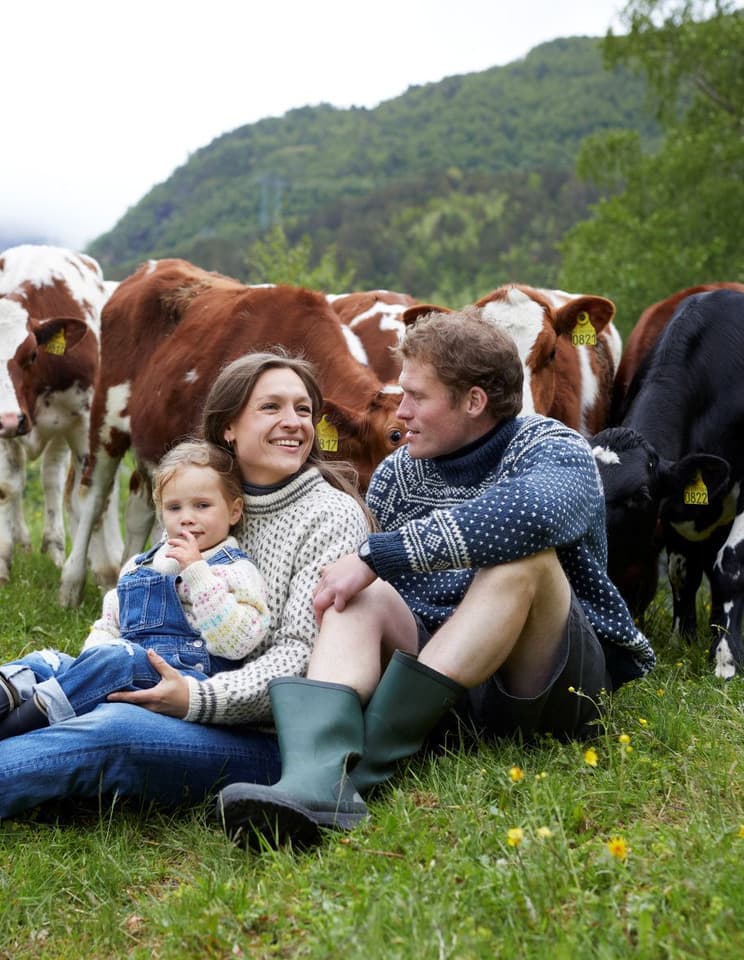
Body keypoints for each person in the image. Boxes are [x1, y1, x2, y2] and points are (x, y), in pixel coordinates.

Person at [0, 351, 372, 878]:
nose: (294, 421)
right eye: (271, 407)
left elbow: (302, 660)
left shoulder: (329, 514)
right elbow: (136, 604)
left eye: (304, 409)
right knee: (54, 684)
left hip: (263, 739)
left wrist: (194, 699)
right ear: (229, 426)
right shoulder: (202, 497)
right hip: (172, 681)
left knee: (113, 731)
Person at [217, 307, 656, 849]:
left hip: (551, 688)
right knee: (361, 595)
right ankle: (314, 779)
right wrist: (369, 573)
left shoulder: (550, 447)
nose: (401, 411)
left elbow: (534, 515)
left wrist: (380, 554)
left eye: (416, 397)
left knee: (524, 561)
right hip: (447, 693)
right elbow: (379, 586)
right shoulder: (399, 472)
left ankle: (365, 770)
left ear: (473, 401)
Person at [0, 440, 272, 755]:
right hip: (119, 669)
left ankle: (1, 735)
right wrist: (87, 666)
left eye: (202, 506)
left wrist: (198, 574)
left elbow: (237, 643)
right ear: (161, 512)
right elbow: (109, 626)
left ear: (234, 510)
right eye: (174, 507)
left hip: (182, 684)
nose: (187, 517)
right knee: (48, 660)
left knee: (116, 658)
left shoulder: (234, 569)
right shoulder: (139, 565)